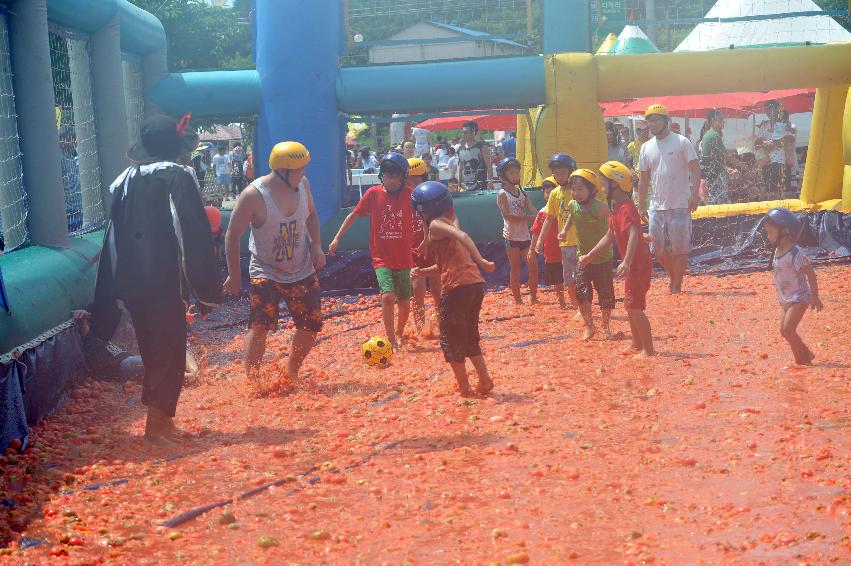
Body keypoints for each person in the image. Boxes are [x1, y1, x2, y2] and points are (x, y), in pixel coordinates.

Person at [90, 114, 221, 446]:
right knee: (170, 348)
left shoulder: (125, 179)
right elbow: (191, 231)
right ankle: (155, 430)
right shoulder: (177, 177)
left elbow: (113, 235)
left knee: (153, 349)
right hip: (162, 279)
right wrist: (204, 286)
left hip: (132, 281)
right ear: (174, 149)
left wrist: (112, 288)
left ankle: (162, 421)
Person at [223, 141, 326, 384]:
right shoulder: (253, 196)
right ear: (282, 171)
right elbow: (232, 235)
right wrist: (234, 275)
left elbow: (311, 214)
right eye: (298, 169)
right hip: (265, 270)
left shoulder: (303, 184)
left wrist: (316, 245)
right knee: (260, 325)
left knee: (311, 325)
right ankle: (253, 381)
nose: (303, 174)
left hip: (300, 268)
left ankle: (291, 371)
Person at [410, 181, 495, 396]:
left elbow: (463, 236)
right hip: (473, 285)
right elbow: (444, 265)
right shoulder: (447, 223)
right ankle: (484, 380)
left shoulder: (436, 225)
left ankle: (464, 388)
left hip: (457, 288)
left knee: (449, 338)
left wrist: (481, 260)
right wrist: (422, 271)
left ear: (422, 211)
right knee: (468, 335)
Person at [329, 152, 413, 350]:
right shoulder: (373, 194)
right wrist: (337, 237)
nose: (391, 180)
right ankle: (391, 339)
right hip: (381, 256)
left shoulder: (410, 195)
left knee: (404, 303)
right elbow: (353, 215)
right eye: (387, 176)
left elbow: (426, 216)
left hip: (404, 257)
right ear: (381, 176)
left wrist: (427, 239)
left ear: (403, 178)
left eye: (395, 176)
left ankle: (400, 333)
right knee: (387, 296)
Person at [582, 162, 655, 357]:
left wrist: (627, 261)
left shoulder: (626, 208)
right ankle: (636, 344)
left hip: (637, 265)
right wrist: (590, 255)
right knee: (630, 305)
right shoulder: (617, 209)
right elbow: (609, 237)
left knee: (635, 307)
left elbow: (632, 234)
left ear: (616, 185)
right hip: (634, 265)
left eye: (605, 183)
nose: (602, 188)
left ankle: (648, 349)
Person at [638, 104, 700, 294]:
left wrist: (695, 195)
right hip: (657, 205)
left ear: (666, 121)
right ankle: (674, 275)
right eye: (649, 120)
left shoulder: (682, 142)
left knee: (679, 250)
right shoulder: (646, 147)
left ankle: (677, 284)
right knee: (657, 249)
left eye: (656, 119)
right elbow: (643, 178)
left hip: (680, 204)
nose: (652, 124)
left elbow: (695, 169)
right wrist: (641, 205)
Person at [559, 169, 613, 340]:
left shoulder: (601, 208)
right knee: (582, 292)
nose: (576, 193)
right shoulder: (572, 205)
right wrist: (565, 231)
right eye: (574, 189)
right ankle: (590, 327)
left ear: (592, 190)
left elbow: (616, 226)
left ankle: (606, 326)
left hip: (603, 258)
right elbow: (572, 217)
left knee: (605, 294)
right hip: (582, 258)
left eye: (581, 189)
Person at [763, 207, 822, 365]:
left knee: (788, 329)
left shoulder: (795, 253)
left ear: (785, 231)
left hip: (799, 297)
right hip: (786, 299)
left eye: (770, 232)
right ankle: (807, 354)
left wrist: (814, 296)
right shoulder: (778, 250)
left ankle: (802, 362)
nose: (768, 236)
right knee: (784, 331)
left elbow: (810, 273)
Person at [537, 153, 579, 308]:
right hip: (566, 243)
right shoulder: (555, 193)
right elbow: (549, 218)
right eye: (556, 173)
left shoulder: (577, 189)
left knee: (584, 277)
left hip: (582, 241)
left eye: (562, 172)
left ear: (571, 170)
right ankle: (576, 305)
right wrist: (541, 239)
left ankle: (582, 304)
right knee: (569, 278)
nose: (559, 176)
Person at [496, 157, 537, 304]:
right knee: (516, 268)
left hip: (525, 236)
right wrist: (528, 217)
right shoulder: (502, 194)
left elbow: (532, 209)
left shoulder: (522, 192)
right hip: (511, 236)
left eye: (516, 173)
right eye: (512, 173)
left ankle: (533, 297)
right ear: (503, 176)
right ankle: (518, 300)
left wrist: (538, 215)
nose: (515, 175)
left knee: (532, 265)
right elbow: (507, 215)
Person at [407, 157, 440, 336]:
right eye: (410, 179)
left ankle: (443, 321)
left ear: (424, 178)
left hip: (433, 247)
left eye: (417, 179)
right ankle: (420, 327)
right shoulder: (403, 198)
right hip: (413, 250)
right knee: (417, 288)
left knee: (437, 287)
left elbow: (436, 220)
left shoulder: (431, 196)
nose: (413, 182)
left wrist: (428, 239)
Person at [529, 176, 566, 308]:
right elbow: (536, 231)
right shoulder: (542, 213)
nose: (549, 195)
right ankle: (562, 301)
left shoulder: (565, 209)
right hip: (551, 251)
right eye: (547, 192)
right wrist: (532, 249)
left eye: (552, 192)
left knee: (572, 276)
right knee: (557, 278)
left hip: (566, 247)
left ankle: (575, 301)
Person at [699, 109, 748, 205]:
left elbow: (714, 158)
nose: (723, 121)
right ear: (714, 120)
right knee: (721, 204)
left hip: (709, 176)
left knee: (714, 203)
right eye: (721, 119)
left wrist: (726, 168)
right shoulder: (714, 135)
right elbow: (727, 156)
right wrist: (743, 166)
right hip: (715, 177)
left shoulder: (707, 135)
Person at [756, 100, 794, 199]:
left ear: (778, 109)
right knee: (771, 193)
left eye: (771, 109)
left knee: (786, 193)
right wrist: (765, 143)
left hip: (783, 163)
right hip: (768, 163)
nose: (768, 112)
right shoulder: (764, 125)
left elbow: (789, 139)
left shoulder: (785, 123)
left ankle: (787, 213)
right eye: (767, 110)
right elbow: (757, 142)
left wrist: (772, 143)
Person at [59, 126, 83, 232]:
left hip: (76, 209)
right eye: (71, 138)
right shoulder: (59, 156)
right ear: (62, 139)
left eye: (75, 138)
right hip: (68, 211)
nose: (74, 141)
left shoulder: (70, 154)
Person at [457, 121, 492, 191]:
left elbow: (489, 167)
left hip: (481, 186)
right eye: (462, 132)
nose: (463, 135)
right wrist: (459, 183)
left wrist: (490, 182)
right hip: (465, 187)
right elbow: (461, 168)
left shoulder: (482, 147)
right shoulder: (460, 149)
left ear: (473, 132)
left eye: (465, 132)